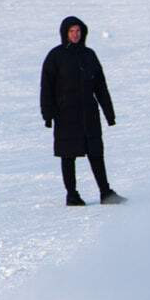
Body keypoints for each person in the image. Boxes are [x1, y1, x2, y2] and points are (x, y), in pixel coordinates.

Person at [41, 16, 126, 206]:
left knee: (96, 153)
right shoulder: (55, 56)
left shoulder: (89, 55)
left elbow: (100, 86)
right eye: (71, 31)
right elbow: (46, 87)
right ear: (65, 33)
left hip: (89, 114)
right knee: (68, 155)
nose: (75, 34)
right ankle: (72, 195)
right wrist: (48, 114)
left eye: (78, 31)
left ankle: (106, 192)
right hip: (66, 115)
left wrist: (109, 114)